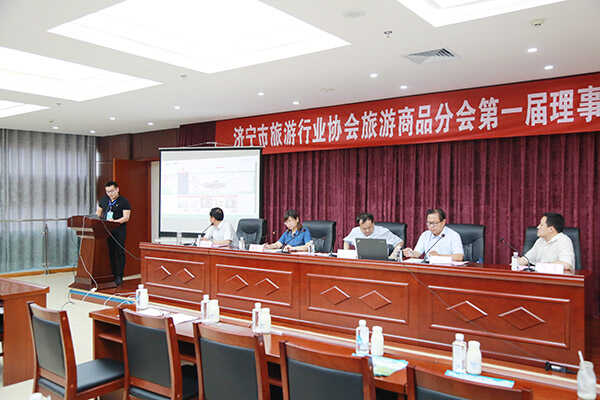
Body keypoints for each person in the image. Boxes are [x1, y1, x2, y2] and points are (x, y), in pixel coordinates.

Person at [96, 181, 131, 286]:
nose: (109, 194)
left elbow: (126, 217)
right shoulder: (104, 200)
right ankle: (112, 274)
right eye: (107, 192)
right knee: (110, 252)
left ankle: (119, 276)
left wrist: (114, 222)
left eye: (111, 191)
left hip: (119, 230)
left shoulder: (124, 201)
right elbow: (98, 214)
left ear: (117, 189)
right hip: (106, 230)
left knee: (119, 252)